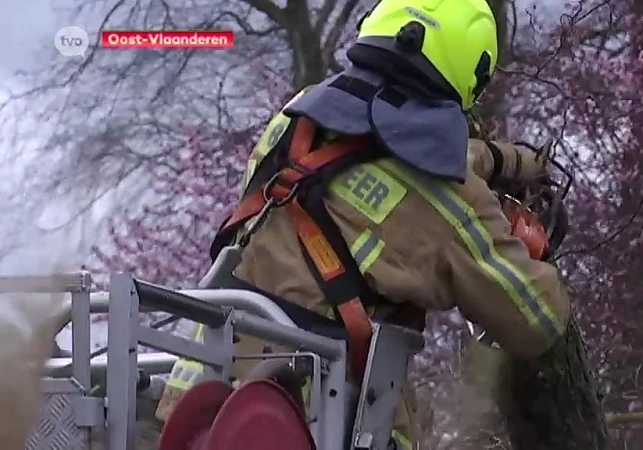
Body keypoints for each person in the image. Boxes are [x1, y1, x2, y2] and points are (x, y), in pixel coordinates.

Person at [161, 0, 573, 448]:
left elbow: (364, 151)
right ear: (471, 67)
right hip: (309, 423)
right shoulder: (446, 196)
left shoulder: (295, 119)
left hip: (197, 402)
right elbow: (536, 319)